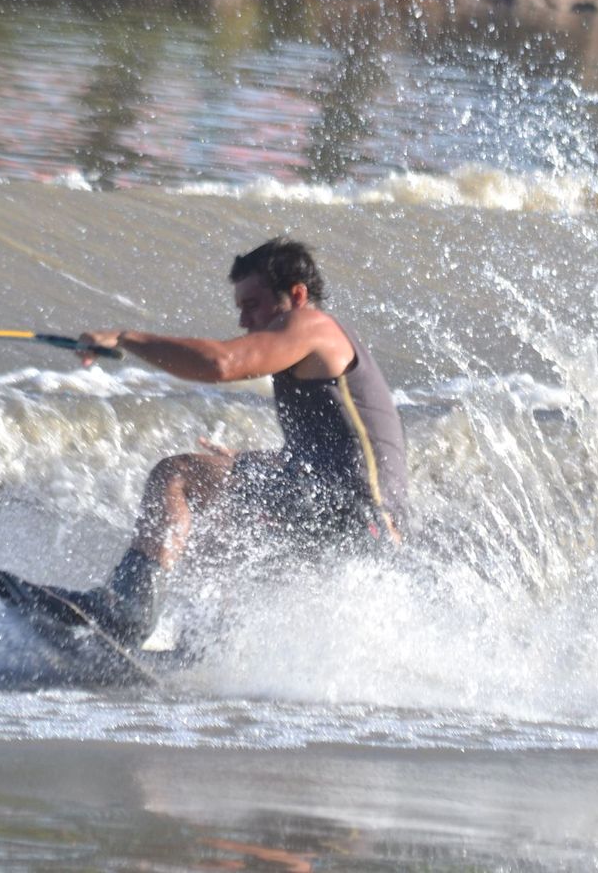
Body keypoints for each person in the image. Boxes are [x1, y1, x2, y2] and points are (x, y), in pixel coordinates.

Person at [44, 237, 408, 648]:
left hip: (352, 515)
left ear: (297, 295)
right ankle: (208, 646)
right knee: (221, 528)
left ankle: (124, 610)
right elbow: (343, 452)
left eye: (251, 305)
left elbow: (221, 364)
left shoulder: (311, 326)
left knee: (177, 475)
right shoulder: (319, 351)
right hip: (362, 524)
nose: (243, 321)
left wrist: (126, 338)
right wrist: (253, 461)